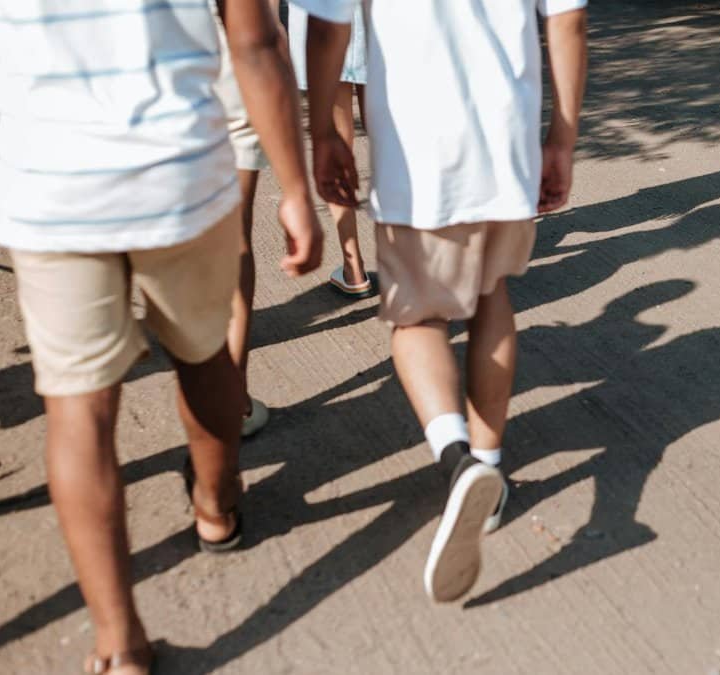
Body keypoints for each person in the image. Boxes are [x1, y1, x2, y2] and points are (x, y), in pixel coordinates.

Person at [0, 0, 323, 671]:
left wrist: (6, 137)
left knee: (78, 408)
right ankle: (217, 507)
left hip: (51, 181)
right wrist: (295, 188)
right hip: (179, 165)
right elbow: (255, 41)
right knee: (205, 351)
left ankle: (120, 643)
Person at [307, 0, 589, 603]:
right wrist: (562, 138)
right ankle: (488, 464)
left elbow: (328, 26)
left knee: (417, 319)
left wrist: (325, 133)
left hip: (421, 151)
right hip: (507, 136)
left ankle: (460, 463)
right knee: (493, 297)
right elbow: (568, 19)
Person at [213, 0, 285, 437]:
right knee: (233, 236)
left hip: (134, 76)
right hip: (226, 60)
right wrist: (294, 184)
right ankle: (233, 395)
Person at [288, 1, 375, 298]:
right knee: (387, 142)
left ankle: (354, 269)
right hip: (381, 17)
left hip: (323, 16)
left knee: (336, 139)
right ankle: (401, 258)